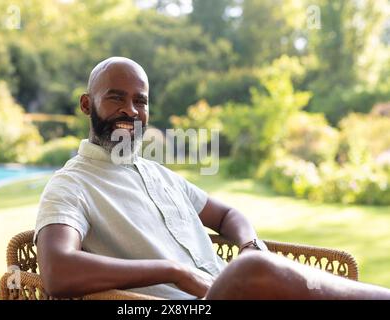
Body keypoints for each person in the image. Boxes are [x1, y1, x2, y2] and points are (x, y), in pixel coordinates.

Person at [35, 56, 390, 300]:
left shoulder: (158, 175)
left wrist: (249, 244)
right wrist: (174, 271)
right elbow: (58, 271)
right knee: (254, 271)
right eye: (116, 98)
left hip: (234, 293)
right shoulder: (71, 186)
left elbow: (226, 215)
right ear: (87, 104)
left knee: (255, 265)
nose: (130, 110)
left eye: (140, 101)